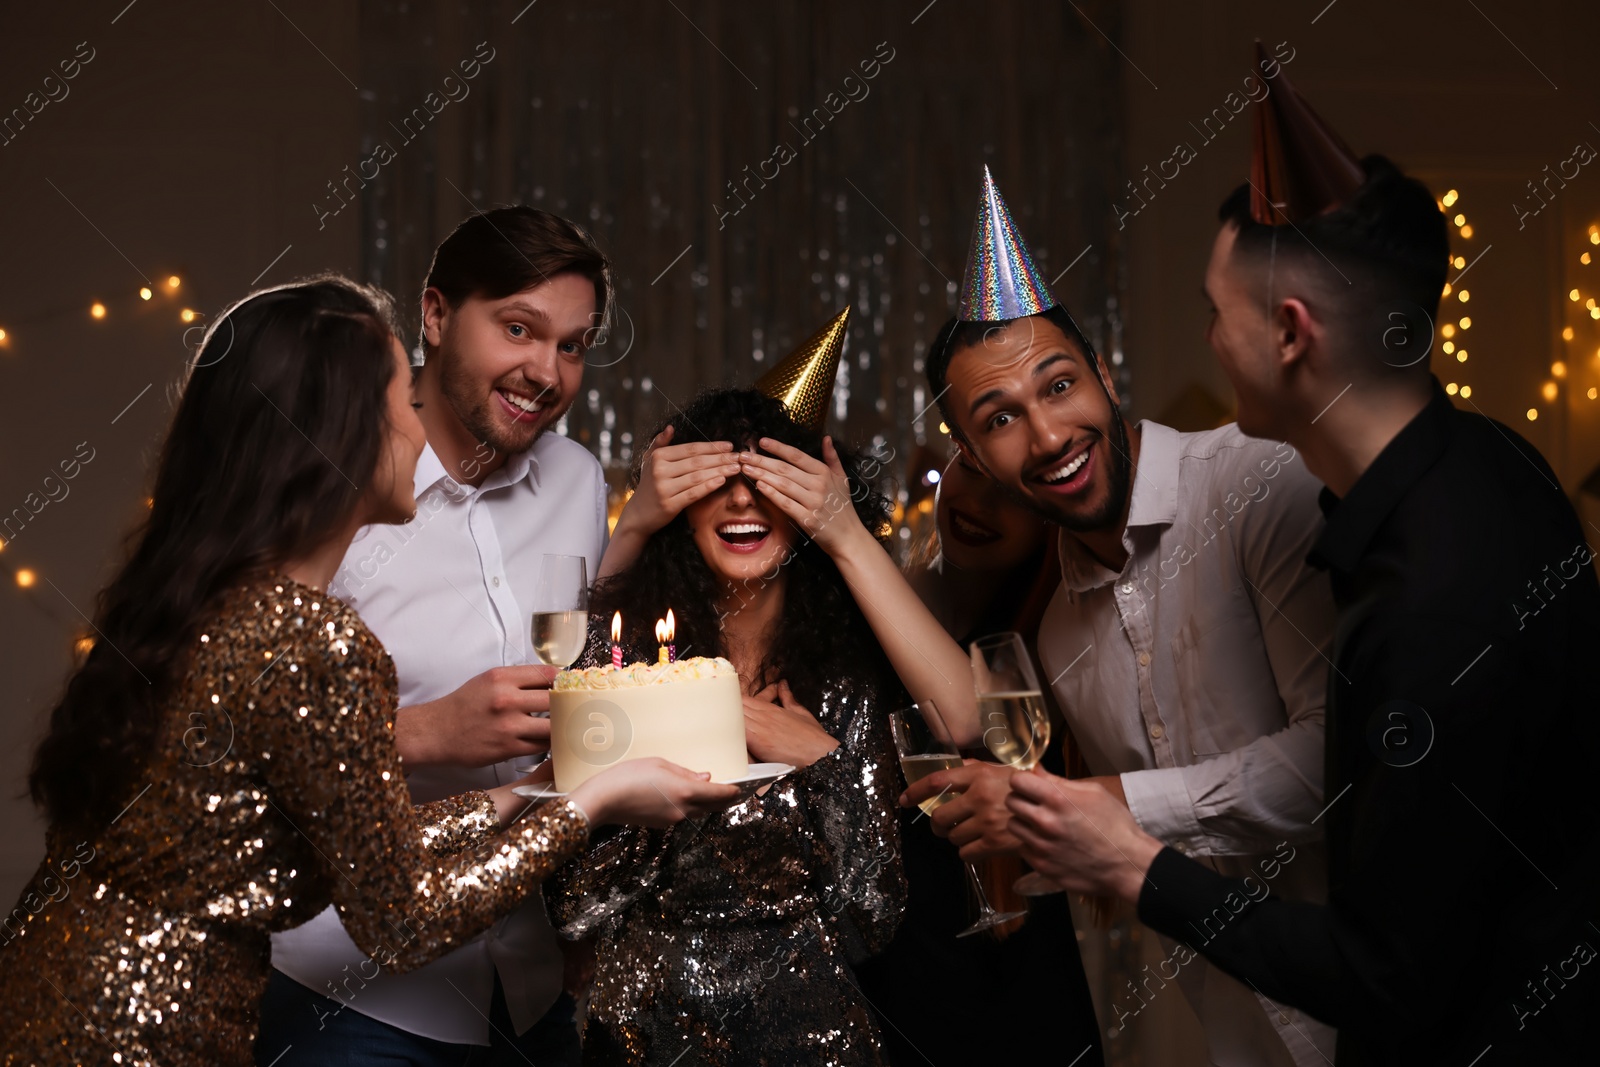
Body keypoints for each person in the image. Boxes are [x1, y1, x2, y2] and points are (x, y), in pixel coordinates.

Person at [1003, 61, 1599, 1066]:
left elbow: (1388, 977)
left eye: (1212, 313)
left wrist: (1137, 863)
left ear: (1288, 334)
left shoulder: (1432, 602)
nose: (1205, 340)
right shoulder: (1489, 459)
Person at [0, 277, 738, 1067]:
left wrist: (526, 792)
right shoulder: (314, 638)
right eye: (402, 402)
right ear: (339, 431)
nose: (420, 435)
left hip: (51, 997)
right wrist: (593, 801)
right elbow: (402, 918)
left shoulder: (209, 598)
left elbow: (356, 843)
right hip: (138, 1040)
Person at [903, 167, 1338, 1066]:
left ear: (1103, 372)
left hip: (1389, 1005)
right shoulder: (1055, 633)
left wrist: (1093, 804)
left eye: (1059, 386)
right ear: (974, 454)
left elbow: (1328, 766)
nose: (1050, 434)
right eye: (1001, 418)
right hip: (1234, 1035)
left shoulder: (1255, 482)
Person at [550, 311, 978, 1065]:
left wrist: (824, 760)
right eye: (721, 481)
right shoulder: (643, 673)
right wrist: (662, 763)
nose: (745, 502)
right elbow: (575, 901)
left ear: (808, 508)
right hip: (641, 1036)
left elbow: (873, 913)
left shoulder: (844, 684)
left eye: (769, 481)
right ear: (684, 510)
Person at [262, 207, 627, 1064]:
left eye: (572, 345)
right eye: (517, 328)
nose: (546, 371)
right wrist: (428, 732)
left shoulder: (577, 480)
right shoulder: (329, 487)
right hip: (354, 994)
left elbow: (584, 674)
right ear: (433, 315)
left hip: (531, 985)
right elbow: (238, 746)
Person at [856, 450, 1105, 1067]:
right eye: (970, 468)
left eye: (1015, 494)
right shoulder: (866, 611)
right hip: (883, 962)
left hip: (1007, 973)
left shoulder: (1051, 633)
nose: (981, 504)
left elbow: (966, 719)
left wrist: (842, 534)